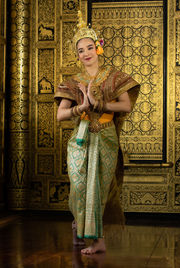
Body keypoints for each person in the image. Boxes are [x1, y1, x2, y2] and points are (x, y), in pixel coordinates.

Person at [54, 12, 140, 255]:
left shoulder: (114, 77)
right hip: (80, 140)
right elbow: (61, 115)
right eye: (81, 50)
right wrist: (81, 107)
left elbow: (125, 106)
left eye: (89, 47)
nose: (86, 53)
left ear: (98, 48)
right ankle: (78, 228)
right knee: (78, 188)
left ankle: (98, 240)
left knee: (99, 188)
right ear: (77, 54)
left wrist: (99, 104)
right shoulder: (72, 82)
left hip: (105, 137)